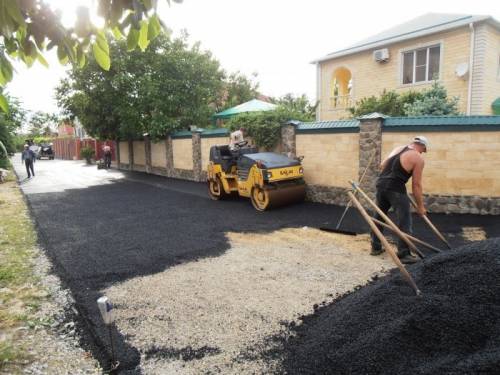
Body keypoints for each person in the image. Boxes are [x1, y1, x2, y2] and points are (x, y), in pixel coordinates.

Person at [370, 135, 428, 264]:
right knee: (404, 220)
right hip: (396, 188)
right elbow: (416, 185)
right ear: (423, 146)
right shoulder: (418, 158)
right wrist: (420, 206)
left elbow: (382, 165)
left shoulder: (398, 148)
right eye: (423, 150)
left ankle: (375, 247)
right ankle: (404, 254)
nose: (422, 152)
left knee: (379, 217)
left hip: (381, 184)